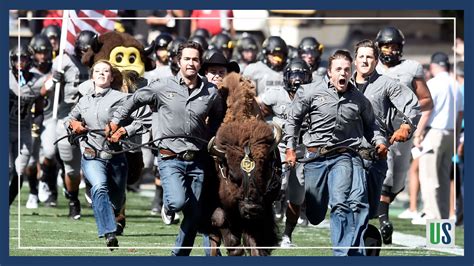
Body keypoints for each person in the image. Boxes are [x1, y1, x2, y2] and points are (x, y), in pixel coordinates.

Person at [107, 41, 224, 256]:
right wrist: (116, 121)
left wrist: (214, 137)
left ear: (200, 63)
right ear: (178, 61)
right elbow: (134, 100)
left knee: (194, 214)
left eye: (195, 59)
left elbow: (218, 118)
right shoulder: (162, 86)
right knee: (178, 201)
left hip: (198, 159)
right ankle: (169, 204)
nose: (191, 63)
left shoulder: (211, 92)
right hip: (170, 157)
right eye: (187, 59)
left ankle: (178, 255)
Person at [285, 50, 387, 256]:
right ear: (330, 72)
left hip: (345, 155)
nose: (343, 73)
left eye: (347, 70)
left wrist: (379, 141)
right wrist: (290, 148)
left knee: (342, 202)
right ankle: (321, 217)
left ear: (351, 72)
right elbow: (293, 120)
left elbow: (372, 125)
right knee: (315, 214)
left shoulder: (359, 99)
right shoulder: (310, 92)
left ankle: (343, 253)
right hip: (315, 158)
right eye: (338, 69)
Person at [66, 60, 150, 249]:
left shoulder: (122, 98)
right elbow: (69, 119)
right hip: (91, 153)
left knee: (117, 199)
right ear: (92, 76)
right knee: (99, 187)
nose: (102, 74)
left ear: (112, 77)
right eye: (98, 71)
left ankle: (112, 212)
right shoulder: (84, 100)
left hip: (116, 155)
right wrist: (74, 125)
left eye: (106, 71)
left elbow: (143, 119)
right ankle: (109, 232)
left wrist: (124, 131)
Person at [351, 40, 421, 227]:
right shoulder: (342, 84)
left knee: (371, 208)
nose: (365, 61)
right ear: (355, 60)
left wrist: (406, 126)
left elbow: (412, 105)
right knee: (349, 204)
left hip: (375, 153)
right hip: (346, 154)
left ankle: (374, 228)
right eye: (361, 57)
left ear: (376, 61)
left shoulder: (387, 84)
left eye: (369, 57)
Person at [374, 26, 433, 243]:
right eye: (386, 46)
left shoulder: (411, 68)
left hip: (404, 131)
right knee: (385, 174)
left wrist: (408, 112)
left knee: (397, 182)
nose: (390, 50)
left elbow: (427, 100)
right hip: (378, 130)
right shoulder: (371, 67)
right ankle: (383, 221)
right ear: (379, 47)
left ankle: (380, 211)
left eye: (394, 46)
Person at [256, 58, 312, 247]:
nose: (297, 81)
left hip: (302, 151)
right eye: (294, 76)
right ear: (286, 78)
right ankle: (265, 228)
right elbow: (258, 108)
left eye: (301, 76)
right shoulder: (275, 94)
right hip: (278, 149)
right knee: (276, 186)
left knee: (297, 196)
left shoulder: (314, 96)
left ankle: (287, 235)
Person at [41, 30, 95, 220]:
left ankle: (92, 188)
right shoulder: (63, 62)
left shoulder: (101, 63)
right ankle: (73, 200)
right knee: (71, 169)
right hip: (68, 119)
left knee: (96, 161)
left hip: (93, 120)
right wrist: (52, 81)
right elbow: (43, 91)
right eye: (83, 50)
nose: (86, 55)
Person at [412, 52, 463, 224]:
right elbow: (460, 115)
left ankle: (434, 223)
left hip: (434, 133)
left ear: (433, 66)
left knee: (428, 179)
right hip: (450, 134)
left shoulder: (433, 84)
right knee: (442, 180)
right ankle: (443, 223)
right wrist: (456, 139)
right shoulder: (455, 84)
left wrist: (418, 133)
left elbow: (427, 111)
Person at [9, 44, 45, 207]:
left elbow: (38, 109)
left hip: (24, 128)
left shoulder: (37, 81)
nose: (19, 62)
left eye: (23, 58)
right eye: (16, 58)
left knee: (19, 170)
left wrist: (37, 125)